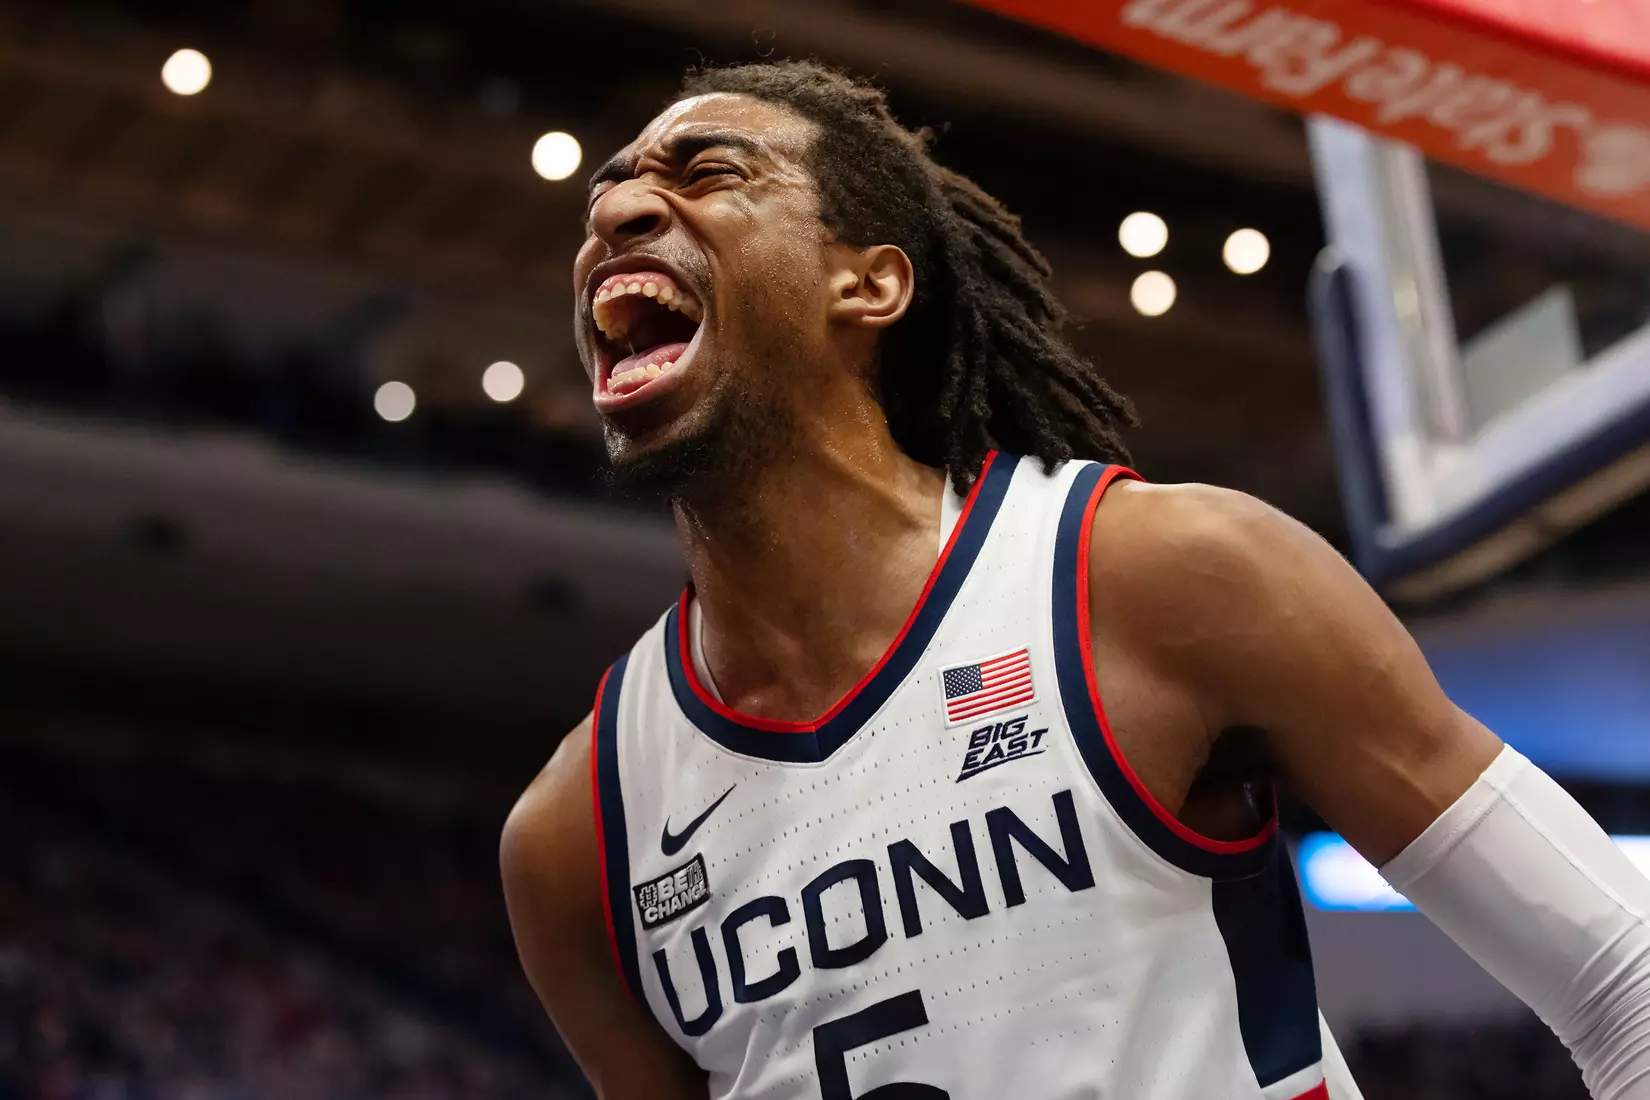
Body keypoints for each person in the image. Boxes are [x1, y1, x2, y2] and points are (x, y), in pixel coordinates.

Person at [500, 60, 1650, 1100]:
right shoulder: (574, 836)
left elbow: (1623, 977)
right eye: (610, 188)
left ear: (871, 286)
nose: (620, 208)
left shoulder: (1165, 579)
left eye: (709, 171)